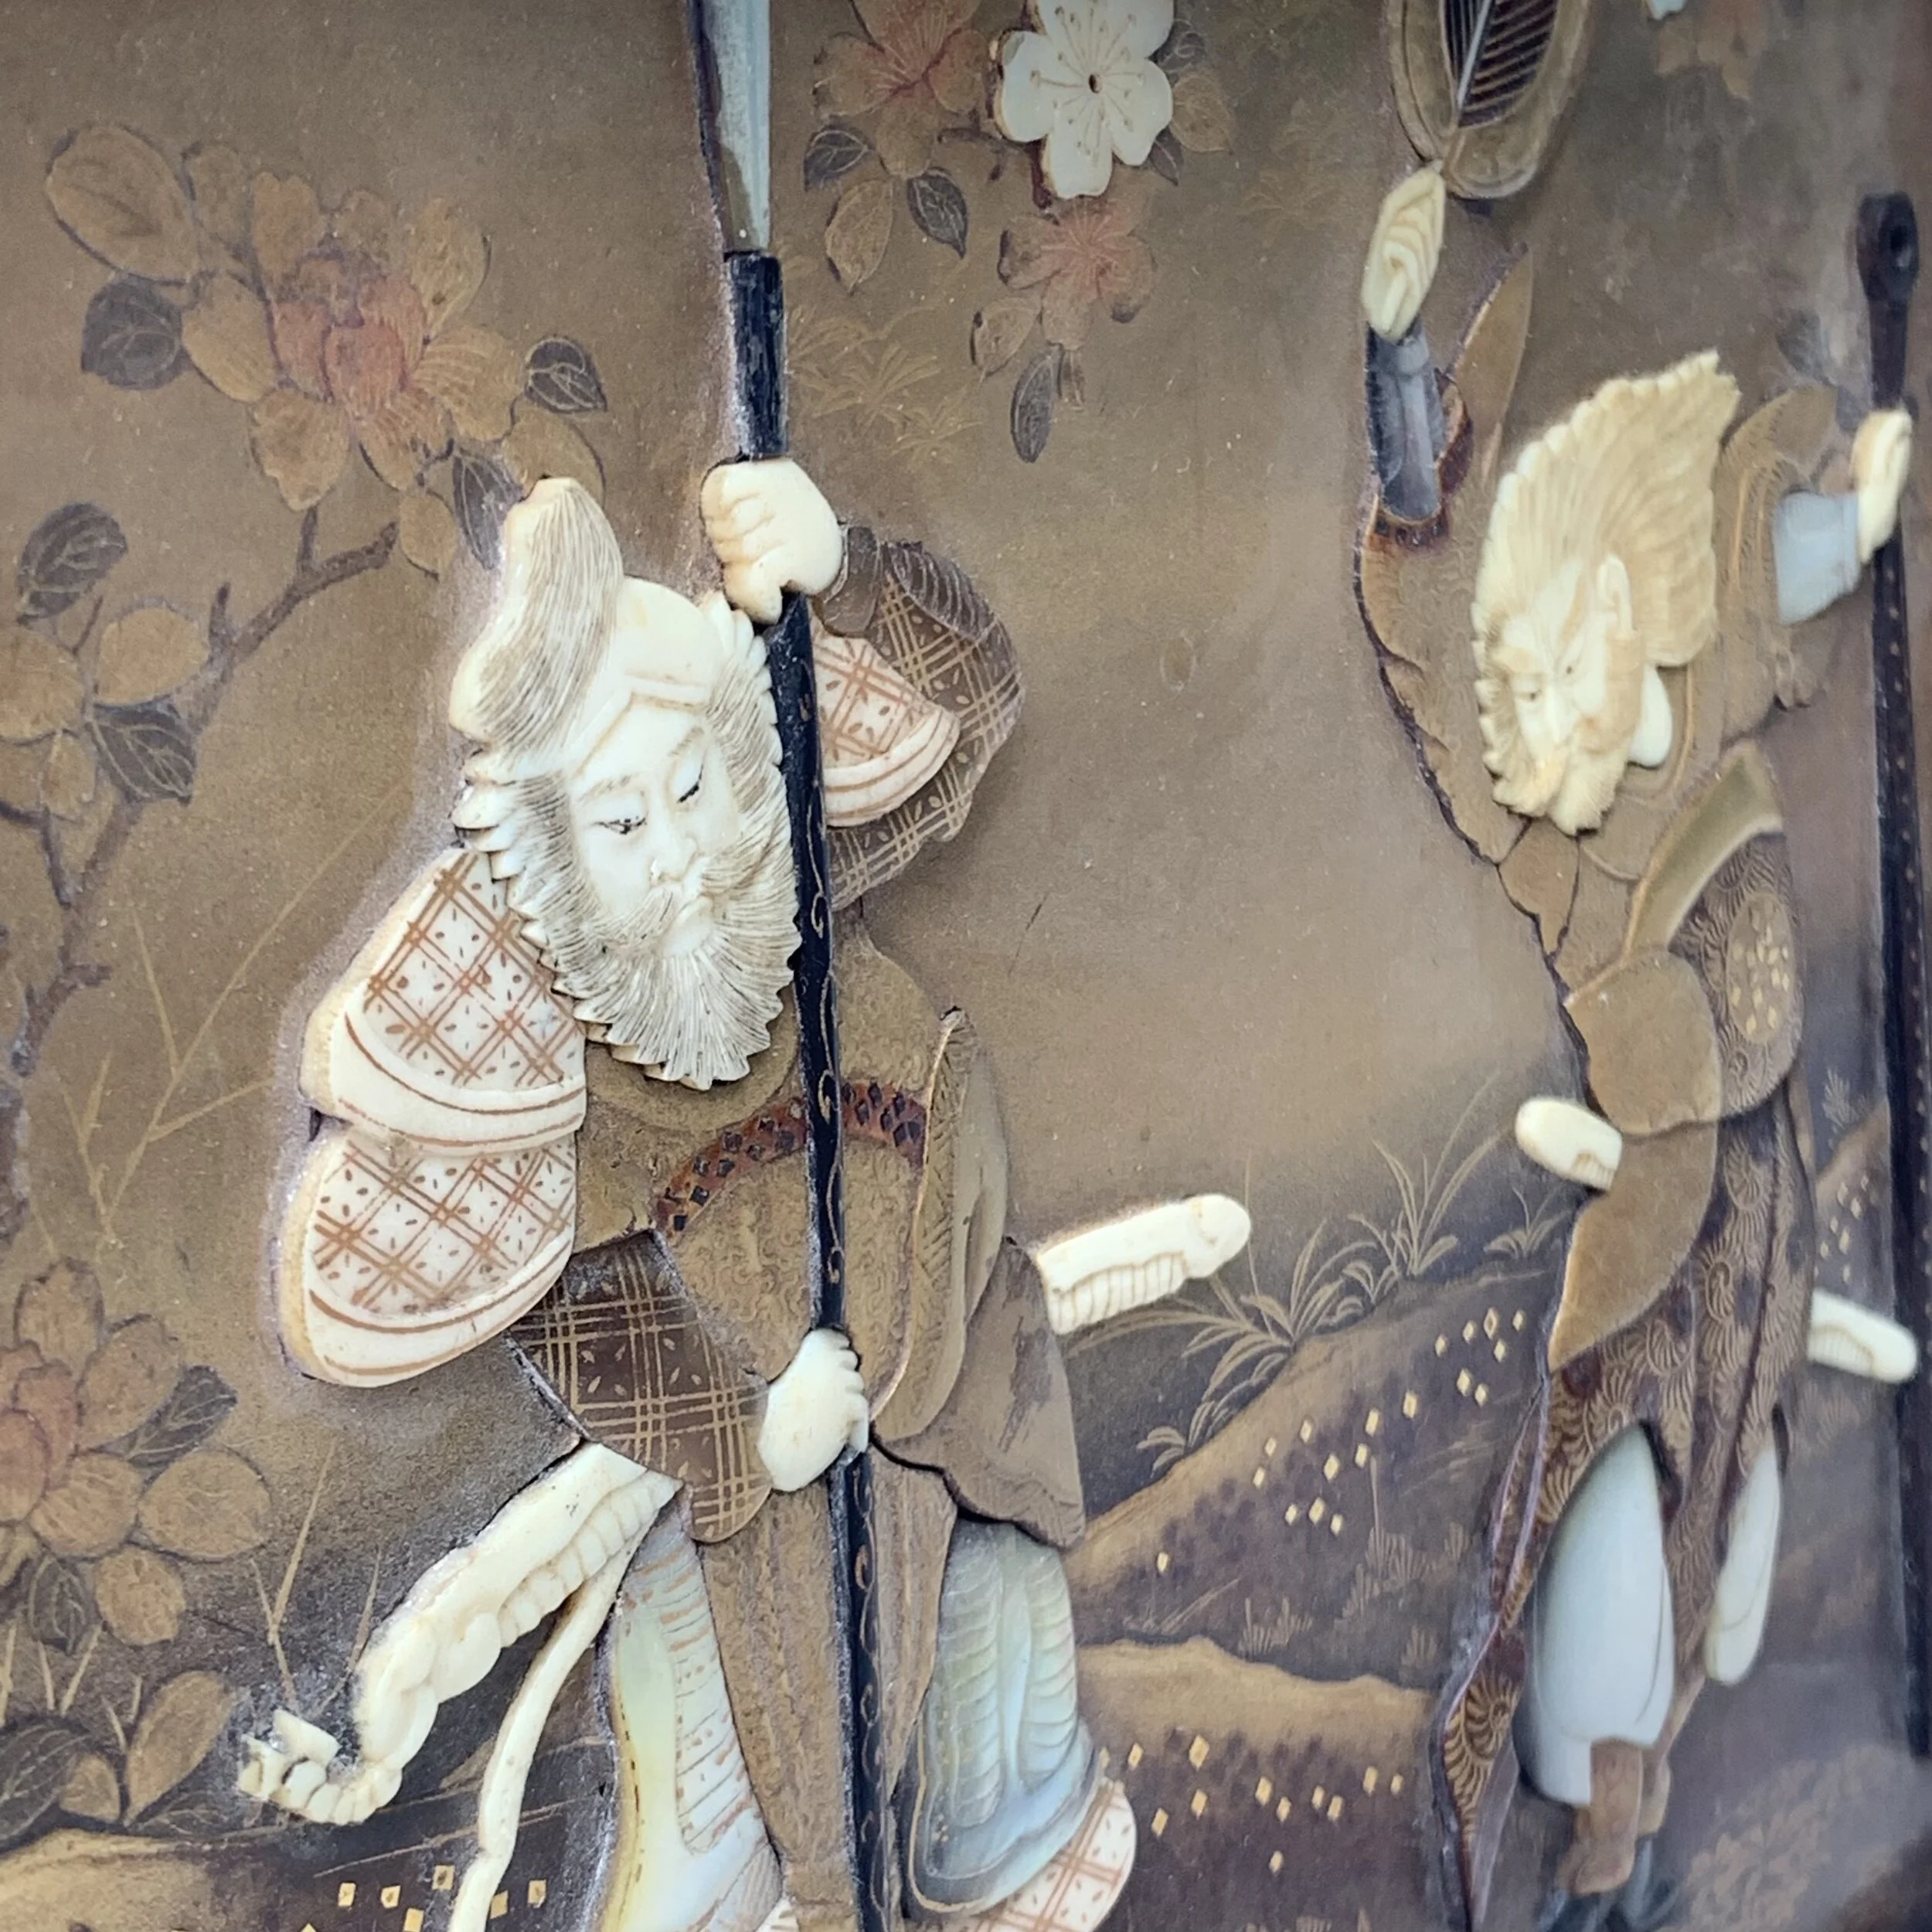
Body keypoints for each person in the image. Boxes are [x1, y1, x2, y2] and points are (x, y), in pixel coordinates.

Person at [243, 462, 1250, 1932]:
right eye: (624, 827)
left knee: (1006, 1706)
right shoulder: (560, 1102)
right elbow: (575, 1307)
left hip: (970, 1400)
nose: (681, 866)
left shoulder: (792, 889)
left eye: (696, 788)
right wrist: (741, 1428)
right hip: (764, 1515)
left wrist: (845, 574)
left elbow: (967, 716)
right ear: (552, 862)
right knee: (763, 1812)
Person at [1355, 168, 1918, 1931]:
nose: (1542, 695)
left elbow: (1772, 589)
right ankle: (1596, 1825)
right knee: (1608, 1539)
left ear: (1625, 607)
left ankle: (1651, 1800)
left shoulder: (1703, 720)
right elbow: (1430, 637)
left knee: (1738, 1547)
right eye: (1515, 686)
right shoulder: (1556, 841)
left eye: (1562, 646)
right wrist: (1392, 357)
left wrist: (1858, 506)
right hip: (1647, 1213)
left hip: (1754, 1202)